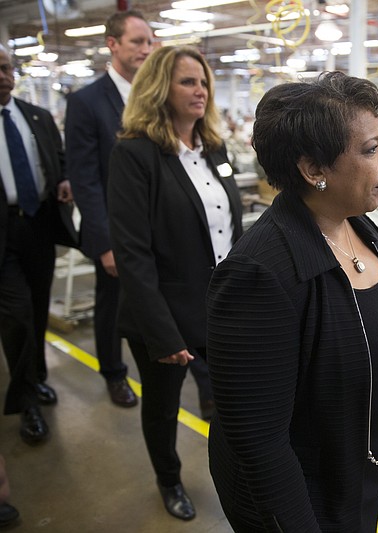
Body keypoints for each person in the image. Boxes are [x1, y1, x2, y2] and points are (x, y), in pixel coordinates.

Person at [206, 71, 378, 532]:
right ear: (313, 169)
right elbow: (259, 443)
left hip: (355, 462)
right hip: (300, 488)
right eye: (369, 150)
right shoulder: (260, 274)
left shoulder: (359, 226)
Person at [107, 45, 243, 521]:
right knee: (163, 409)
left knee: (234, 401)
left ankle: (238, 476)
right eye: (187, 81)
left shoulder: (216, 150)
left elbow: (232, 232)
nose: (199, 90)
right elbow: (133, 254)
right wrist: (163, 333)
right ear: (159, 88)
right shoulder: (135, 155)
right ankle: (169, 480)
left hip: (220, 308)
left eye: (203, 81)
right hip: (162, 315)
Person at [64, 10, 153, 407]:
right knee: (112, 303)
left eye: (149, 42)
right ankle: (114, 373)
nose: (145, 49)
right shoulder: (86, 102)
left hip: (156, 223)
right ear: (112, 44)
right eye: (137, 41)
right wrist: (103, 243)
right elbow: (84, 178)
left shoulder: (155, 97)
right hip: (115, 229)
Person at [0, 44, 78, 445]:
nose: (4, 75)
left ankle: (38, 378)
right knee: (14, 317)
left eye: (7, 67)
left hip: (39, 227)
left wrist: (63, 179)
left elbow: (59, 158)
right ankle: (27, 401)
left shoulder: (38, 117)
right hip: (3, 235)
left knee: (36, 308)